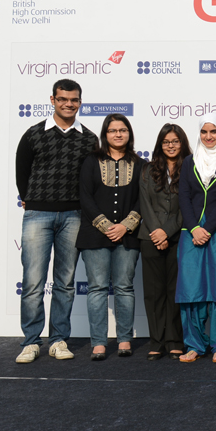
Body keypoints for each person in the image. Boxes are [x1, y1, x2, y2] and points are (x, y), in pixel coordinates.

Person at [15, 79, 97, 364]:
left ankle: (58, 339)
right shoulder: (34, 134)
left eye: (74, 100)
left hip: (74, 216)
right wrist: (30, 200)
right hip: (38, 214)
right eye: (63, 99)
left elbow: (90, 180)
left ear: (80, 102)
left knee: (65, 282)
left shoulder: (89, 138)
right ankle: (30, 342)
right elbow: (21, 172)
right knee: (33, 282)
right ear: (52, 100)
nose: (68, 104)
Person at [77, 113, 143, 361]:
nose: (118, 134)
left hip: (128, 235)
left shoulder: (140, 164)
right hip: (94, 235)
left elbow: (143, 199)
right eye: (113, 130)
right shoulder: (91, 161)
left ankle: (125, 339)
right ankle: (99, 342)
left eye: (123, 130)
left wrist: (125, 226)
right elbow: (85, 196)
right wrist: (107, 226)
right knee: (96, 288)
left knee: (125, 287)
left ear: (129, 133)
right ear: (105, 134)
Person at [176, 115, 216, 363]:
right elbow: (183, 196)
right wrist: (193, 227)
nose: (209, 136)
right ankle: (194, 345)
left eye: (214, 131)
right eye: (204, 132)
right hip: (190, 233)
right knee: (191, 291)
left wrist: (208, 228)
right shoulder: (189, 162)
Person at [139, 123, 192, 360]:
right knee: (153, 292)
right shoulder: (148, 169)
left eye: (175, 141)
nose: (171, 145)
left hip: (179, 237)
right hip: (150, 236)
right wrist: (157, 232)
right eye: (166, 142)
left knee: (175, 291)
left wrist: (167, 232)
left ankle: (174, 340)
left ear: (182, 143)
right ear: (160, 145)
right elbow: (144, 203)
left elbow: (188, 206)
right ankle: (156, 341)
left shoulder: (191, 167)